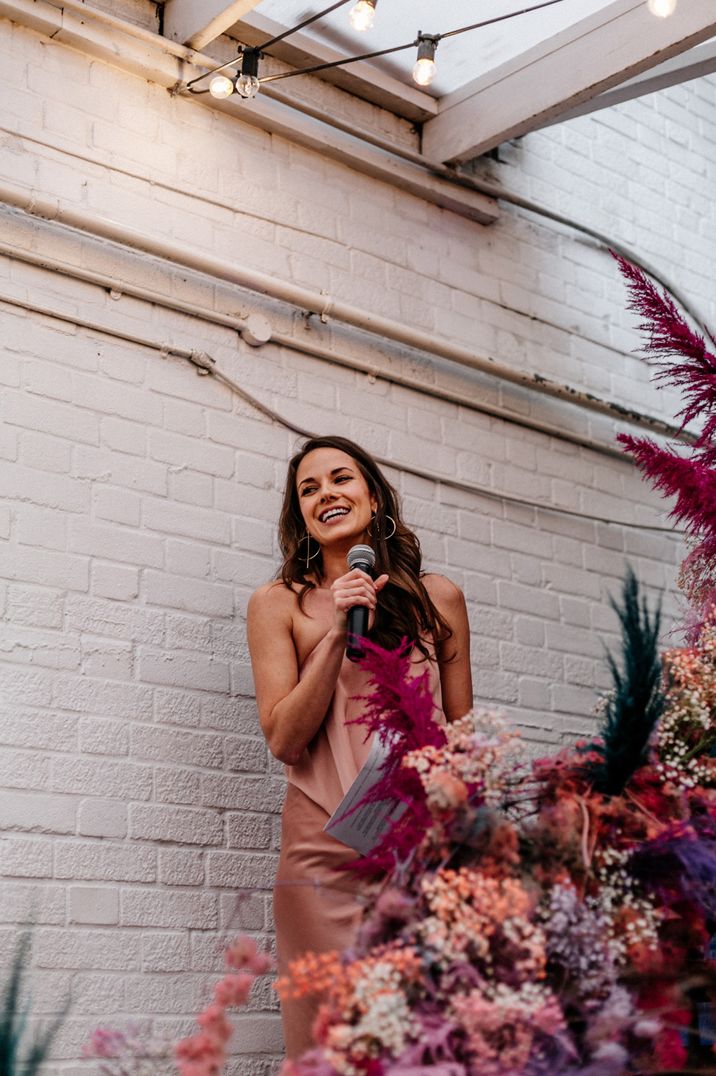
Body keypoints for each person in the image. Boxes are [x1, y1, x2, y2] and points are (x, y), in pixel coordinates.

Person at [247, 435, 472, 1057]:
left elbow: (461, 741)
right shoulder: (276, 605)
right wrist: (334, 636)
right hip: (323, 852)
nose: (326, 495)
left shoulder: (439, 598)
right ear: (301, 518)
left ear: (373, 496)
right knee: (331, 1044)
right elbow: (285, 739)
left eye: (340, 479)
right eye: (309, 490)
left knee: (423, 1041)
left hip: (415, 847)